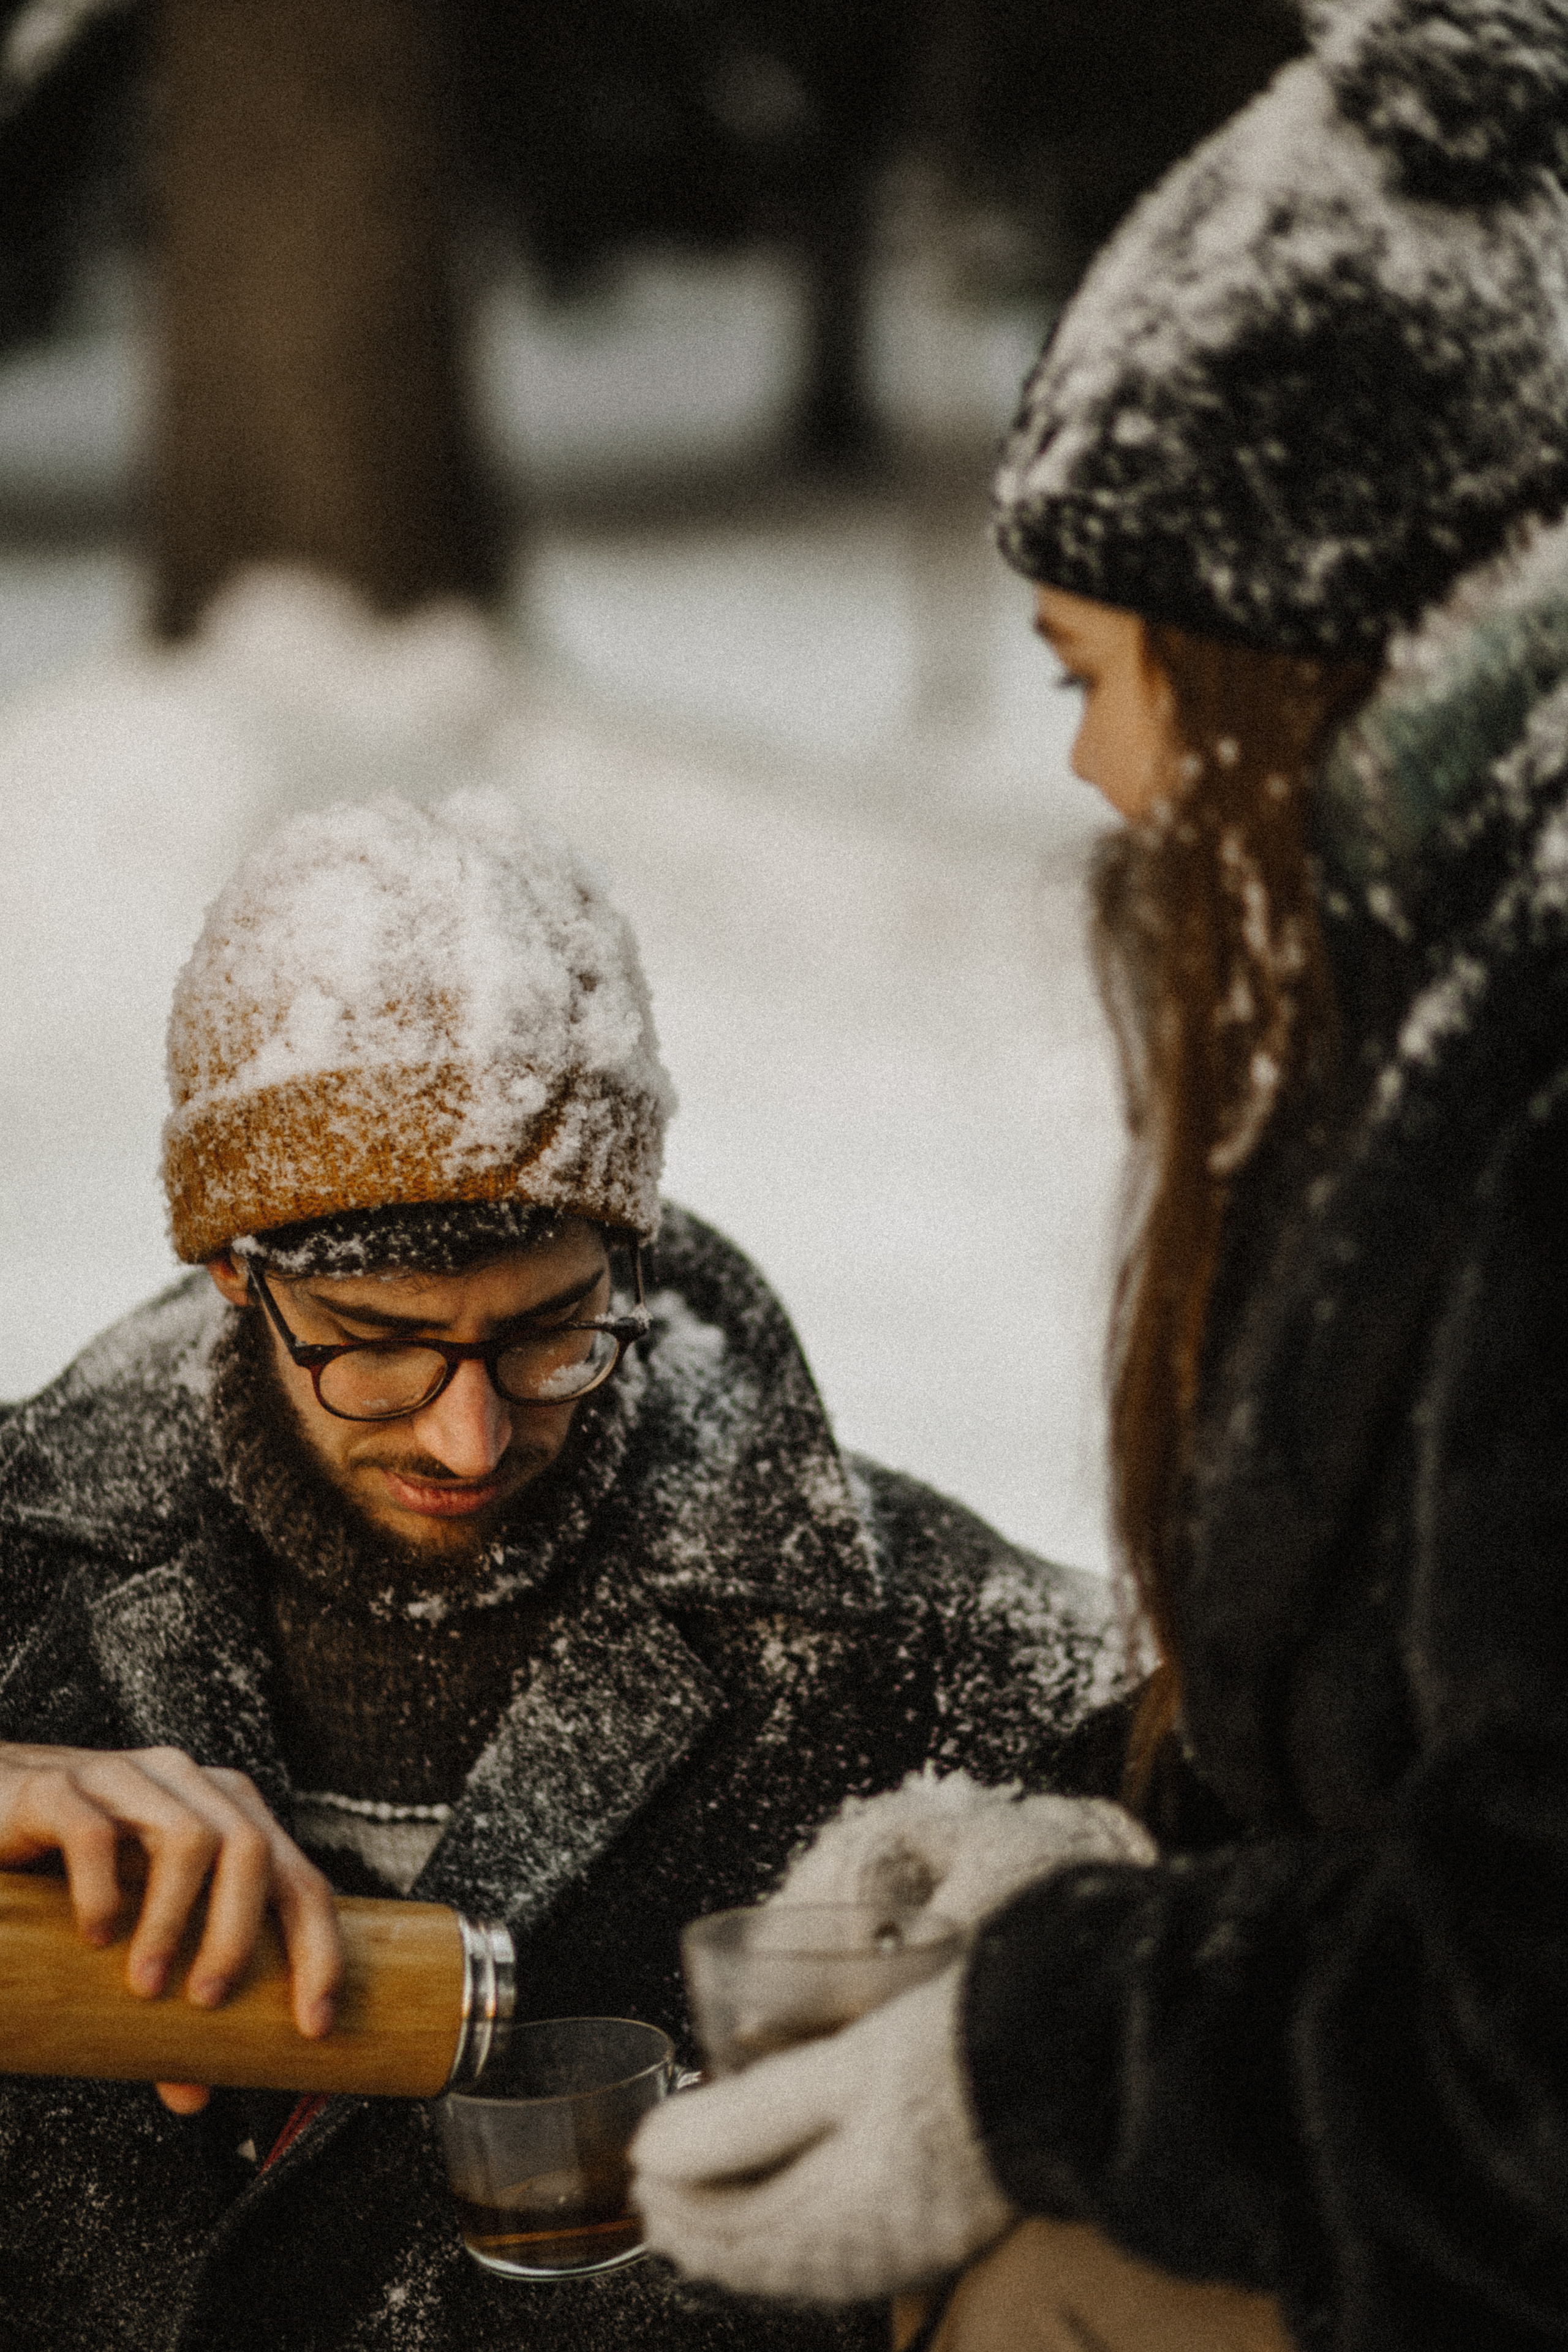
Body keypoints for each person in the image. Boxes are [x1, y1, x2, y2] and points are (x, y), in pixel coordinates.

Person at [631, 4, 1568, 2348]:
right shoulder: (1460, 1010)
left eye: (1089, 667)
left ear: (1286, 649)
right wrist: (1091, 1849)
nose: (1100, 771)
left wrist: (1037, 2052)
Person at [0, 788, 1117, 2352]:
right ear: (232, 1277)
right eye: (379, 1350)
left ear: (631, 1262)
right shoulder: (19, 1582)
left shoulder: (931, 1644)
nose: (468, 1437)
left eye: (545, 1334)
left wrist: (1091, 1914)